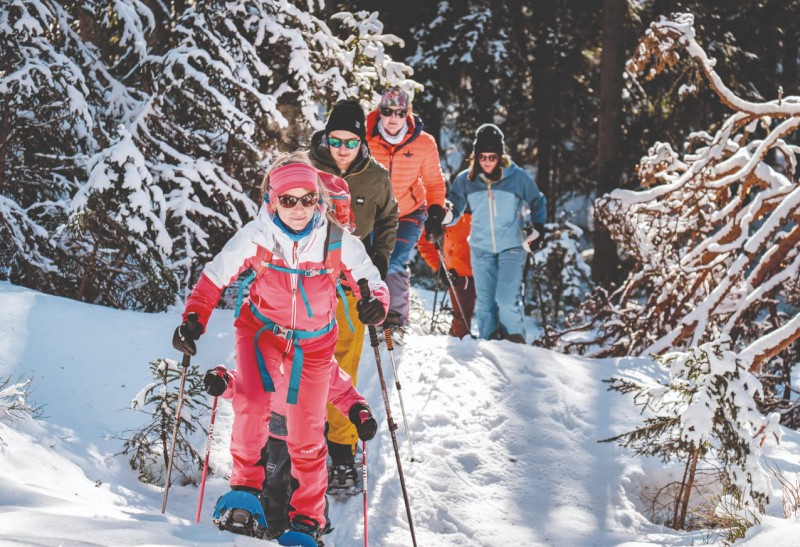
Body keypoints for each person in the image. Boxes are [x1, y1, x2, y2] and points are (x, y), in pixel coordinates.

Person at [172, 151, 389, 545]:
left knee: (306, 433)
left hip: (315, 342)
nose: (299, 208)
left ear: (319, 202)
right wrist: (194, 319)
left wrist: (375, 303)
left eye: (308, 199)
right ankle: (245, 491)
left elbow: (372, 280)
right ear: (272, 201)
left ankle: (307, 520)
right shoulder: (256, 235)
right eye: (288, 200)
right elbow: (214, 276)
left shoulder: (337, 241)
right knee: (254, 401)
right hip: (261, 331)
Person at [309, 99, 398, 492]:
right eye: (335, 141)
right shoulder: (306, 169)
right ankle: (292, 447)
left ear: (362, 141)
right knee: (302, 362)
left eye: (349, 143)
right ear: (325, 138)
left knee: (344, 365)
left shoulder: (375, 177)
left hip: (352, 283)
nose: (341, 150)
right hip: (307, 277)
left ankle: (342, 452)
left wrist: (378, 259)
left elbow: (390, 216)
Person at [446, 123, 546, 343]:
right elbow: (454, 207)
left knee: (506, 298)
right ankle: (489, 342)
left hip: (511, 246)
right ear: (476, 157)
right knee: (485, 302)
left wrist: (538, 228)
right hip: (480, 248)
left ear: (500, 156)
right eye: (483, 157)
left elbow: (538, 200)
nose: (487, 162)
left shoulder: (516, 177)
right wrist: (443, 217)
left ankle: (515, 341)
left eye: (492, 157)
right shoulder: (466, 180)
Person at [366, 87, 447, 332]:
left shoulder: (423, 143)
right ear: (380, 112)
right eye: (388, 111)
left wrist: (435, 212)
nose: (393, 118)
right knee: (369, 261)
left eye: (400, 112)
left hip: (408, 211)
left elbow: (434, 181)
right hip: (372, 212)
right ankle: (367, 312)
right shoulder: (365, 137)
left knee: (394, 261)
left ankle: (395, 319)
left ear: (407, 114)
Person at [417, 204, 475, 338]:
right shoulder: (447, 207)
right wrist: (439, 267)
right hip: (460, 274)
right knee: (461, 324)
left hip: (487, 271)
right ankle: (459, 350)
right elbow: (425, 241)